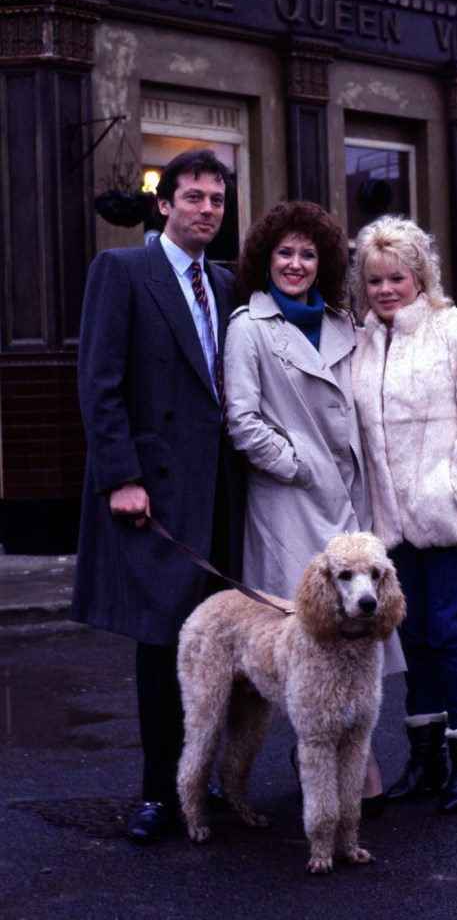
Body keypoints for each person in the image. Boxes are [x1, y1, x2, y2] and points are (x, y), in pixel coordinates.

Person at [71, 148, 246, 843]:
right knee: (162, 642)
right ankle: (157, 793)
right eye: (195, 197)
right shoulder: (121, 271)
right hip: (154, 492)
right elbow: (100, 380)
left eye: (217, 200)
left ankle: (208, 781)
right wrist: (121, 476)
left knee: (221, 646)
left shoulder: (229, 285)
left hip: (222, 493)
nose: (207, 209)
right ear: (164, 203)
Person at [223, 200, 405, 817]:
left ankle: (351, 766)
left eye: (308, 253)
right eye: (285, 253)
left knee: (358, 639)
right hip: (288, 505)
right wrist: (298, 462)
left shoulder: (342, 323)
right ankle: (311, 772)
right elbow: (241, 420)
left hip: (349, 505)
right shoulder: (250, 326)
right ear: (264, 260)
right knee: (304, 642)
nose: (296, 263)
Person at [351, 215, 457, 814]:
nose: (387, 289)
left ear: (421, 275)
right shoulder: (365, 341)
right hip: (390, 525)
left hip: (447, 516)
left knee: (449, 631)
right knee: (410, 635)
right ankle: (424, 762)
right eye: (375, 281)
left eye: (398, 276)